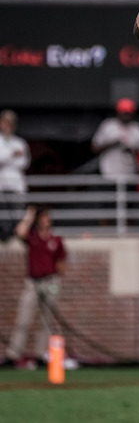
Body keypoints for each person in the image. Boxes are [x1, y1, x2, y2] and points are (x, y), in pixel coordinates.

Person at [2, 206, 66, 368]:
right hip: (33, 282)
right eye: (44, 217)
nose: (47, 220)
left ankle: (41, 355)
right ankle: (13, 355)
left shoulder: (56, 239)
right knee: (23, 319)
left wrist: (56, 280)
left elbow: (61, 262)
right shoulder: (32, 237)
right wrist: (29, 216)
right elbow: (20, 232)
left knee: (47, 321)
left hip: (50, 282)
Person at [91, 98, 139, 179]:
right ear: (118, 112)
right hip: (108, 174)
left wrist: (132, 150)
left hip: (130, 175)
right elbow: (94, 148)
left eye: (129, 113)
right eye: (124, 113)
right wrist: (113, 143)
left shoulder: (137, 128)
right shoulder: (108, 125)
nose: (126, 116)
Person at [0, 109, 30, 241]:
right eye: (5, 122)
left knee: (18, 214)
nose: (7, 125)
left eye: (10, 122)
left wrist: (6, 158)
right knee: (3, 215)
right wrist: (12, 154)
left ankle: (17, 238)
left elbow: (24, 162)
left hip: (16, 185)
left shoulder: (20, 142)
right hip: (1, 185)